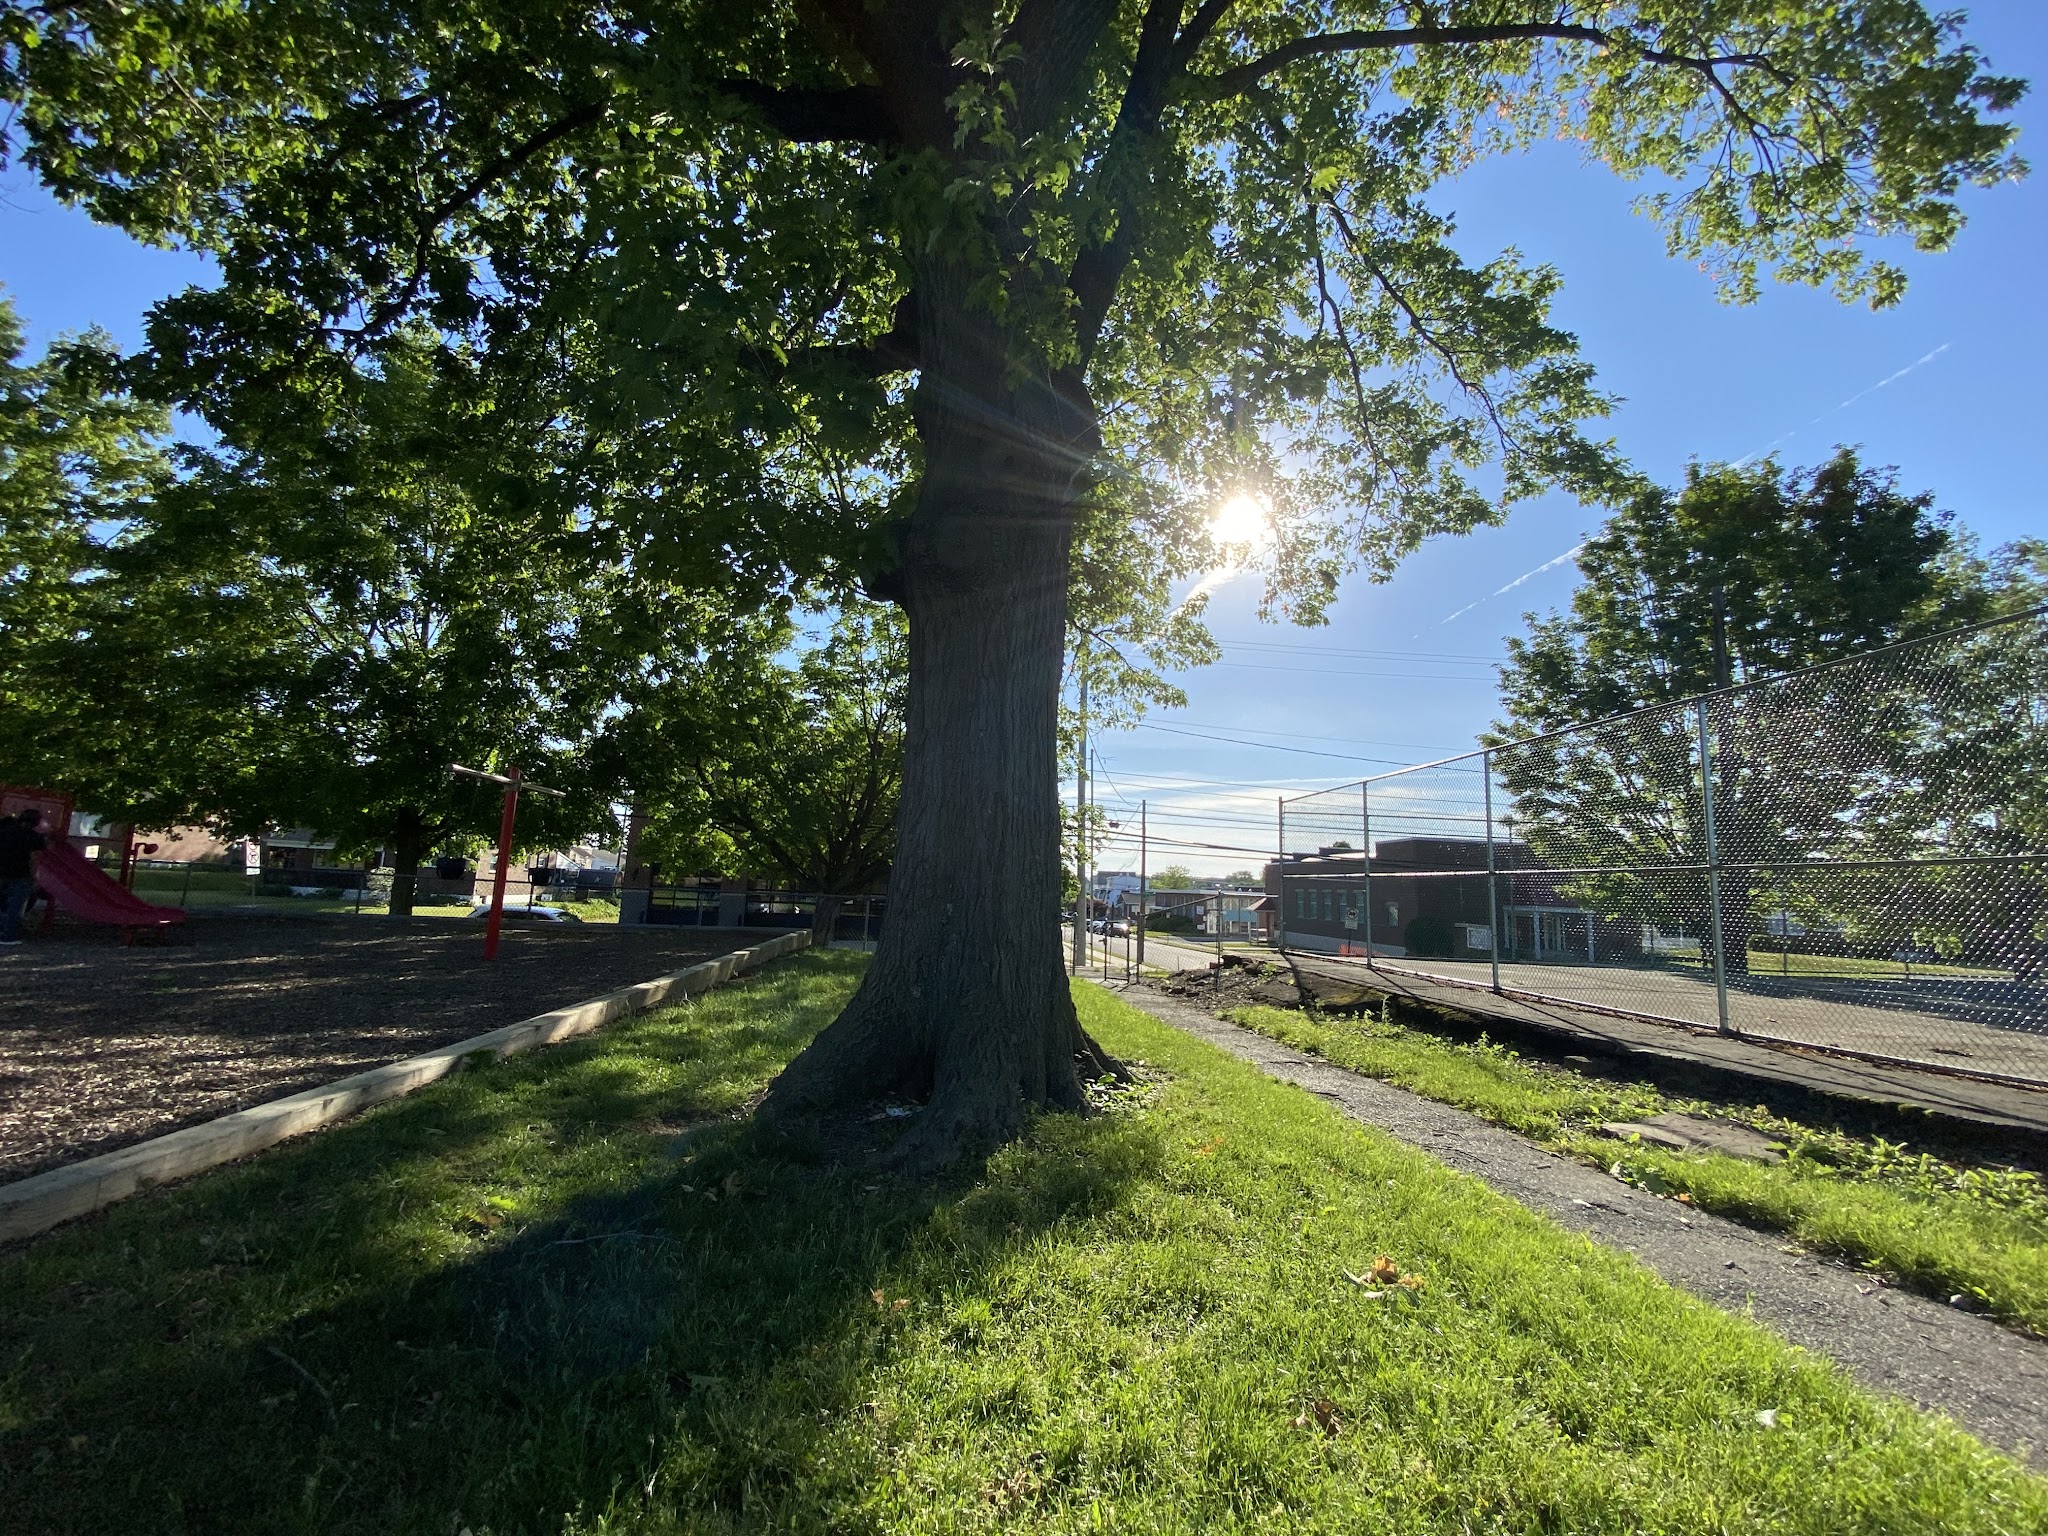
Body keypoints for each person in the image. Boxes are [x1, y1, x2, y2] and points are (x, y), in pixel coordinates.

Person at [0, 808, 47, 945]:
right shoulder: (34, 837)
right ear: (37, 822)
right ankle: (9, 935)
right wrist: (34, 876)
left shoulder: (5, 832)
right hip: (21, 873)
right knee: (16, 905)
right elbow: (34, 858)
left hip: (2, 870)